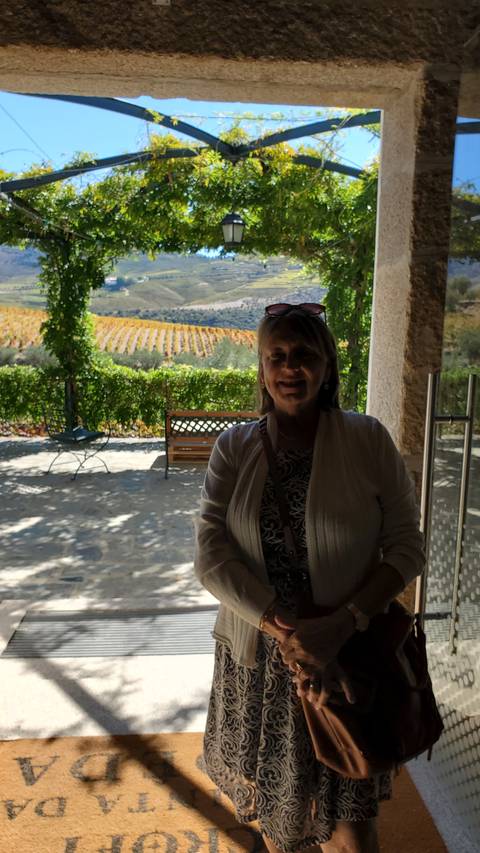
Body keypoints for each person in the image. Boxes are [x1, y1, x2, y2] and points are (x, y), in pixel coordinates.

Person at [193, 303, 425, 853]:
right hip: (266, 666)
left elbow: (407, 548)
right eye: (277, 356)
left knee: (352, 830)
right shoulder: (234, 448)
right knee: (281, 822)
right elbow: (210, 554)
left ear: (328, 369)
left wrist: (344, 624)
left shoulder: (368, 441)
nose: (290, 368)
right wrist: (288, 630)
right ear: (262, 369)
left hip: (350, 663)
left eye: (304, 355)